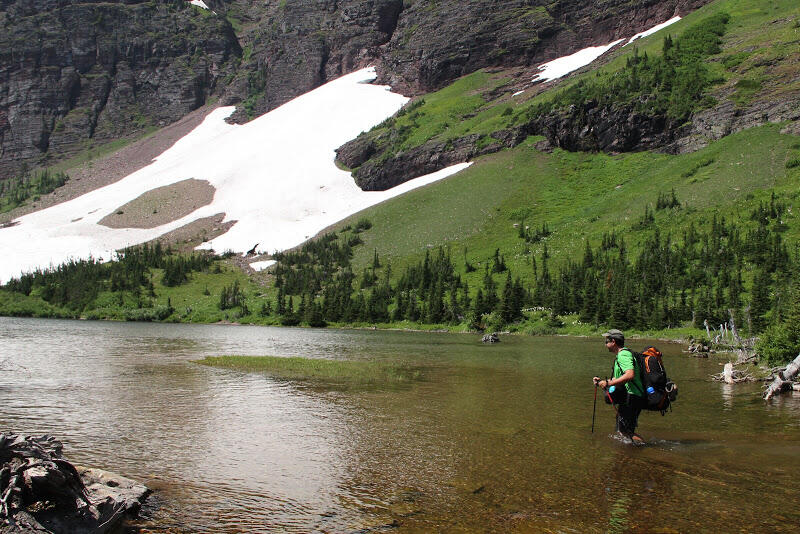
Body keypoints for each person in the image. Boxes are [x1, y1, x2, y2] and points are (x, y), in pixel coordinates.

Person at [592, 329, 645, 444]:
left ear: (614, 342)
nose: (605, 344)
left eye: (607, 341)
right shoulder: (622, 354)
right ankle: (631, 456)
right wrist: (603, 382)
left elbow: (630, 374)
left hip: (632, 397)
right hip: (629, 398)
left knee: (626, 432)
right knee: (623, 430)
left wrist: (609, 383)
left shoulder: (623, 355)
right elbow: (619, 378)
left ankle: (646, 449)